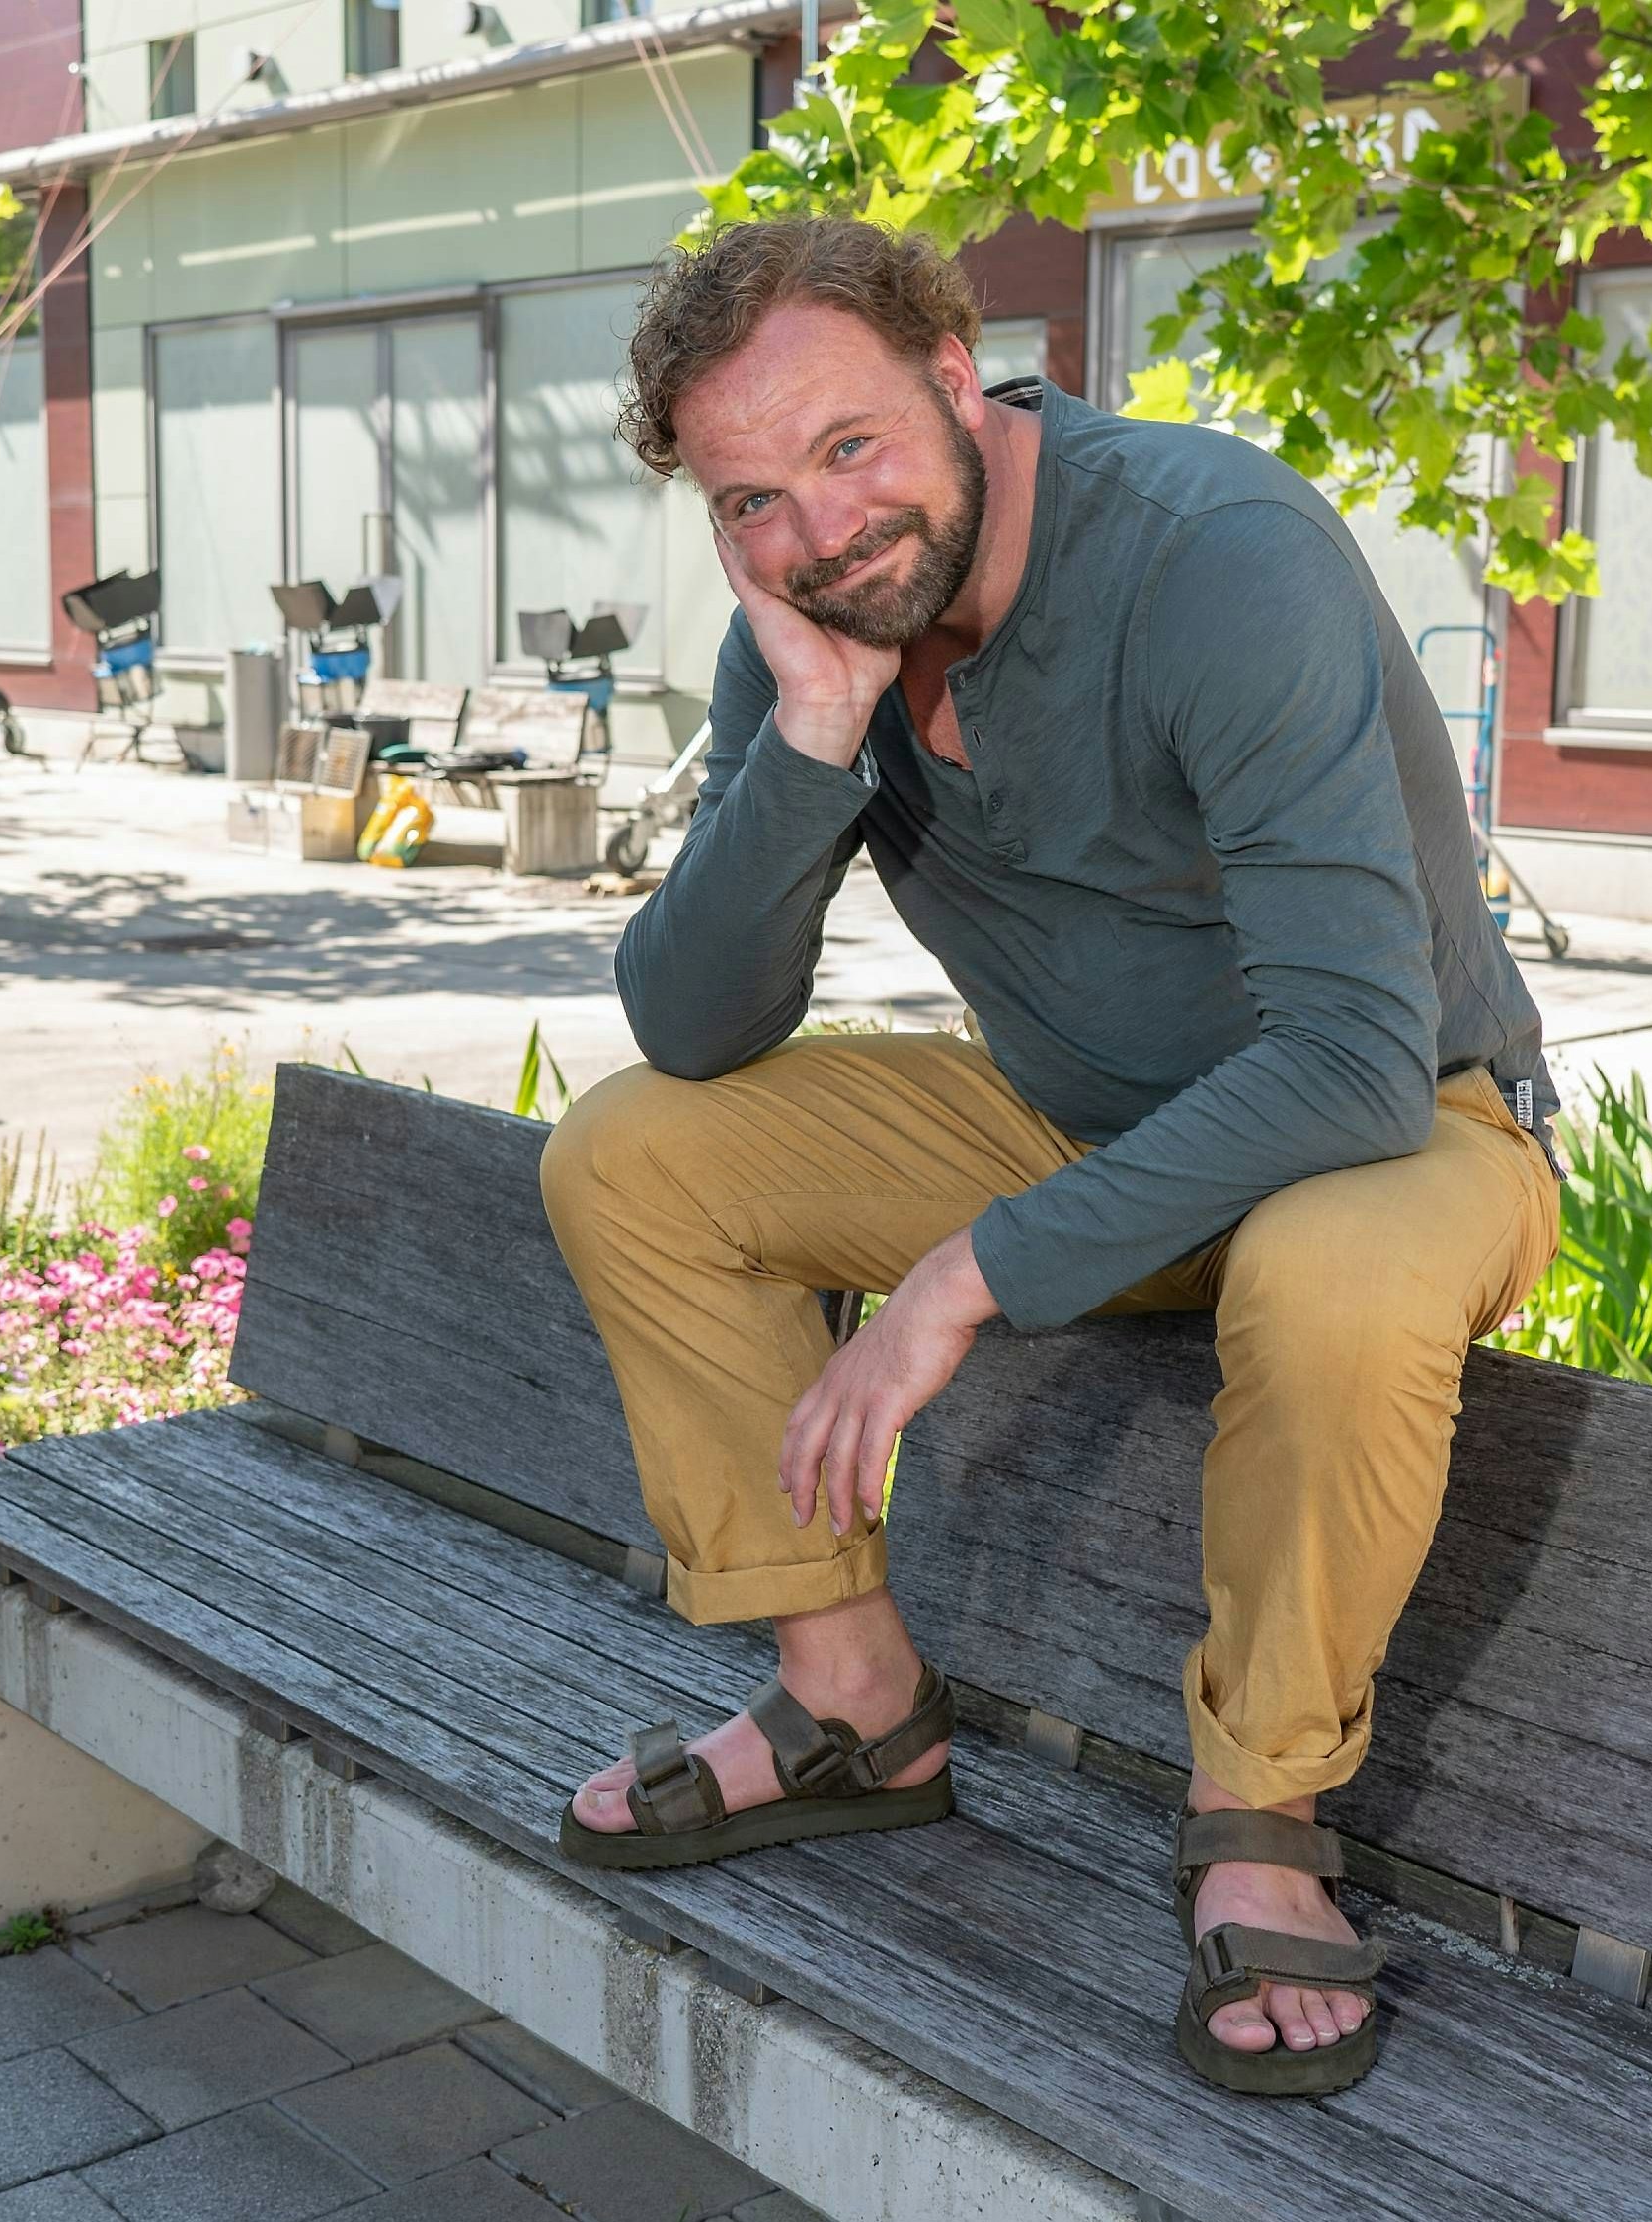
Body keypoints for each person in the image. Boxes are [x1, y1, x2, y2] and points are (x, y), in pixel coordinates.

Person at [535, 217, 1561, 2097]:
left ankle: (1259, 1816)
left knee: (1329, 1269)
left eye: (850, 446)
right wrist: (814, 735)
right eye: (751, 498)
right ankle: (854, 1703)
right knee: (633, 1154)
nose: (819, 530)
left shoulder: (1213, 555)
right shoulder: (813, 629)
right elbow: (689, 1022)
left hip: (1406, 1122)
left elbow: (1353, 1056)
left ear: (957, 373)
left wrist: (966, 1276)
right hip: (1085, 1123)